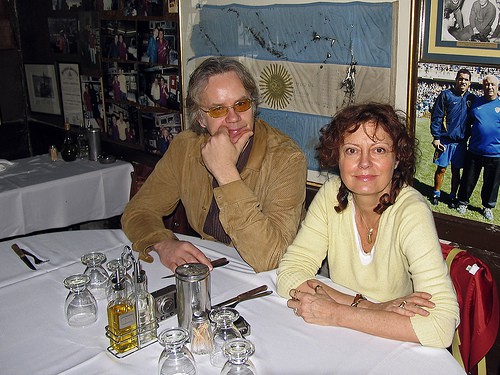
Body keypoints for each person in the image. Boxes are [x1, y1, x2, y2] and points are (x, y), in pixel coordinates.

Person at [277, 103, 459, 348]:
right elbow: (289, 273)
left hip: (393, 343)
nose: (364, 162)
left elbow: (441, 327)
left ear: (397, 160)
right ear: (337, 158)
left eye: (379, 150)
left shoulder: (411, 211)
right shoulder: (332, 193)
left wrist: (335, 312)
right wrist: (371, 307)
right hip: (343, 338)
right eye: (352, 150)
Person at [121, 57, 307, 272]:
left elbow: (271, 258)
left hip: (269, 277)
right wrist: (163, 243)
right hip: (212, 266)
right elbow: (138, 211)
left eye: (241, 104)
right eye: (218, 109)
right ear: (200, 119)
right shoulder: (186, 147)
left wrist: (226, 173)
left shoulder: (285, 158)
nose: (234, 118)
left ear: (253, 106)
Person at [429, 68, 475, 207]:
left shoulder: (471, 98)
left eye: (466, 80)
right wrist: (436, 137)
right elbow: (436, 117)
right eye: (460, 78)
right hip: (444, 140)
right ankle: (436, 193)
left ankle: (452, 195)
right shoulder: (446, 95)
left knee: (456, 170)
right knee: (441, 169)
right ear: (456, 80)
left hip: (460, 142)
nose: (463, 82)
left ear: (469, 83)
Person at [457, 75, 500, 221]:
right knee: (468, 179)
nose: (490, 87)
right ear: (483, 87)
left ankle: (487, 206)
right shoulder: (476, 103)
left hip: (495, 153)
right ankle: (463, 202)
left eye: (492, 84)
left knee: (492, 183)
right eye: (487, 84)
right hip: (475, 149)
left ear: (497, 86)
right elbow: (468, 123)